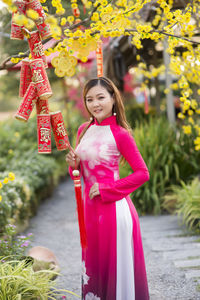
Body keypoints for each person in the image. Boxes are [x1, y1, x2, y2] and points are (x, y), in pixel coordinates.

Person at [66, 77, 150, 300]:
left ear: (113, 98)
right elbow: (80, 174)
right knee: (93, 267)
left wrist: (107, 189)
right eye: (89, 99)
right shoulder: (84, 130)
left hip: (113, 211)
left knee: (115, 272)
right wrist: (73, 166)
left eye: (101, 97)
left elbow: (142, 173)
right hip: (89, 212)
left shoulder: (121, 134)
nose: (95, 104)